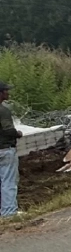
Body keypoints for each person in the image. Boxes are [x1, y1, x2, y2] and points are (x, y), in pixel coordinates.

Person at [0, 81, 23, 217]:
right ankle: (9, 213)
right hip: (5, 149)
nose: (8, 93)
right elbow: (8, 130)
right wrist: (18, 133)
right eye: (6, 91)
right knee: (8, 181)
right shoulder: (3, 110)